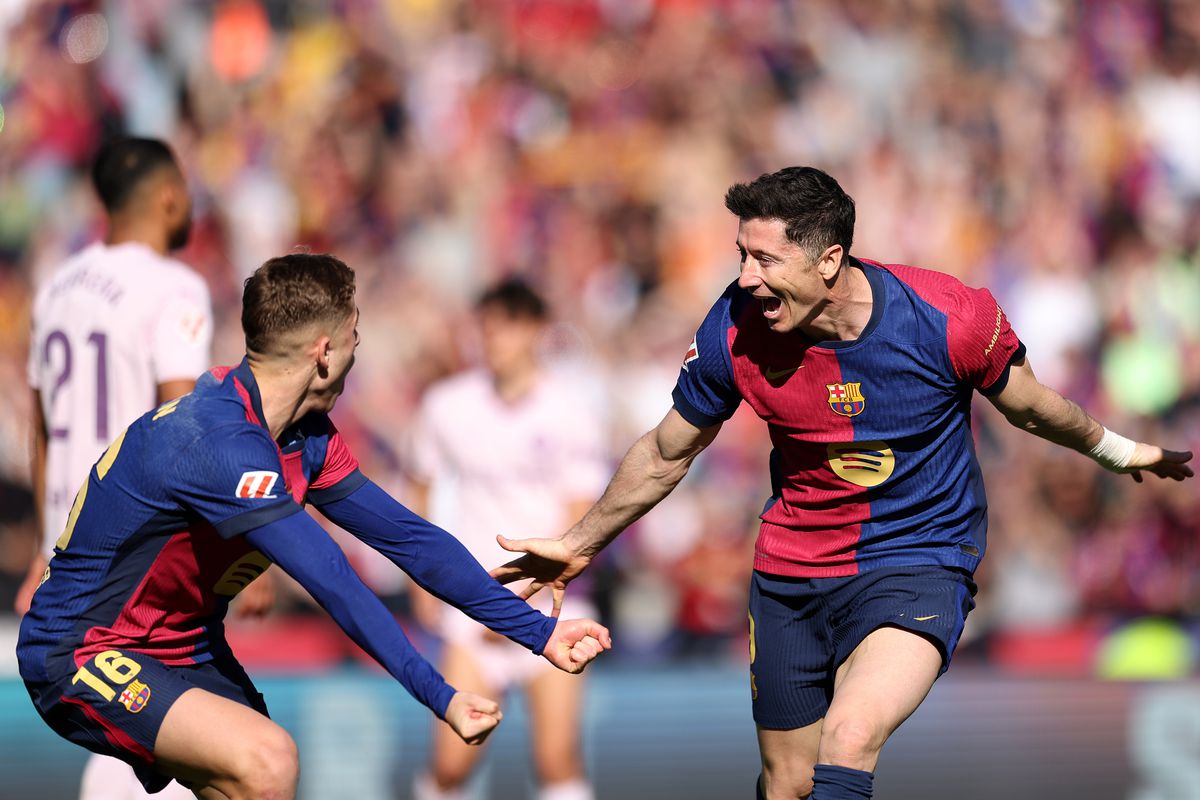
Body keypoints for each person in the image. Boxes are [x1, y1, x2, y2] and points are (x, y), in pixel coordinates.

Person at [491, 167, 1194, 800]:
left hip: (916, 562)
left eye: (766, 259)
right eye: (742, 256)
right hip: (792, 575)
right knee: (789, 782)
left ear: (829, 260)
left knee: (850, 740)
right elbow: (665, 453)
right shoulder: (735, 329)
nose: (746, 278)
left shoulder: (946, 318)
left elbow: (1032, 407)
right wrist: (579, 543)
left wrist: (1117, 449)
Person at [17, 253, 611, 800]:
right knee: (268, 760)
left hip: (184, 643)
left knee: (259, 779)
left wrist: (538, 633)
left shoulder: (306, 438)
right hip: (85, 646)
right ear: (325, 351)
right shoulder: (220, 443)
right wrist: (440, 694)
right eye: (356, 336)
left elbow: (410, 539)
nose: (358, 351)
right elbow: (333, 581)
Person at [19, 136, 274, 800]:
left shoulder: (55, 287)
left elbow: (40, 425)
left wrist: (43, 548)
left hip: (69, 548)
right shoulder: (173, 286)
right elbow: (182, 431)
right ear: (166, 197)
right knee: (193, 733)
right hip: (133, 549)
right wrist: (240, 547)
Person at [406, 279, 609, 800]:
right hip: (474, 607)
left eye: (508, 326)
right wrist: (420, 581)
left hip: (555, 605)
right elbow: (419, 487)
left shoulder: (570, 410)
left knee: (557, 759)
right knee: (450, 764)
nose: (494, 337)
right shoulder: (447, 405)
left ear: (537, 330)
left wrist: (523, 606)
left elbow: (580, 520)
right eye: (487, 326)